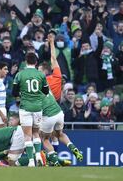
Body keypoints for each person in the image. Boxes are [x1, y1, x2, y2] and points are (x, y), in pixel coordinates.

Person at [39, 34, 83, 166]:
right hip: (58, 109)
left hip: (48, 109)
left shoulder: (41, 82)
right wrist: (51, 43)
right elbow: (53, 57)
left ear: (44, 70)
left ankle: (54, 159)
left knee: (44, 138)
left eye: (39, 69)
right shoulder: (57, 75)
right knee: (58, 134)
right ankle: (71, 146)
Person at [12, 52, 49, 167]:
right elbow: (46, 92)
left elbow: (14, 92)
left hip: (25, 107)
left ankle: (31, 161)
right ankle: (38, 155)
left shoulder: (20, 74)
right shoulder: (41, 75)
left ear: (25, 61)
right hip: (38, 107)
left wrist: (22, 93)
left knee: (27, 135)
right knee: (36, 132)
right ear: (36, 62)